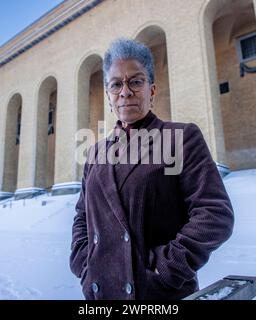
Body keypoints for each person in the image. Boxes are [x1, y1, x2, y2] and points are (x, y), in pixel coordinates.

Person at [69, 38, 234, 300]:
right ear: (109, 96)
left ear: (152, 90)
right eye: (116, 84)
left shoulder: (177, 139)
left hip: (157, 294)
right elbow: (82, 217)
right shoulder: (95, 154)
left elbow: (214, 214)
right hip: (100, 294)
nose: (125, 92)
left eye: (135, 81)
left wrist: (166, 267)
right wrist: (84, 263)